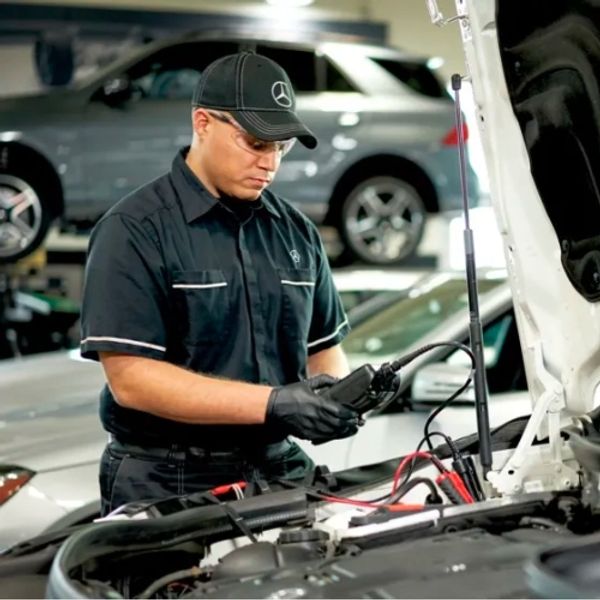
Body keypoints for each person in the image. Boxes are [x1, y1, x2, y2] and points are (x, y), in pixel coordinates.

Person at [80, 51, 361, 516]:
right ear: (203, 122)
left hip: (276, 468)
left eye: (281, 147)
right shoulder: (133, 230)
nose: (270, 162)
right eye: (255, 142)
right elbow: (133, 381)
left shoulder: (295, 232)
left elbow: (322, 349)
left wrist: (336, 400)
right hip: (168, 478)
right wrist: (274, 404)